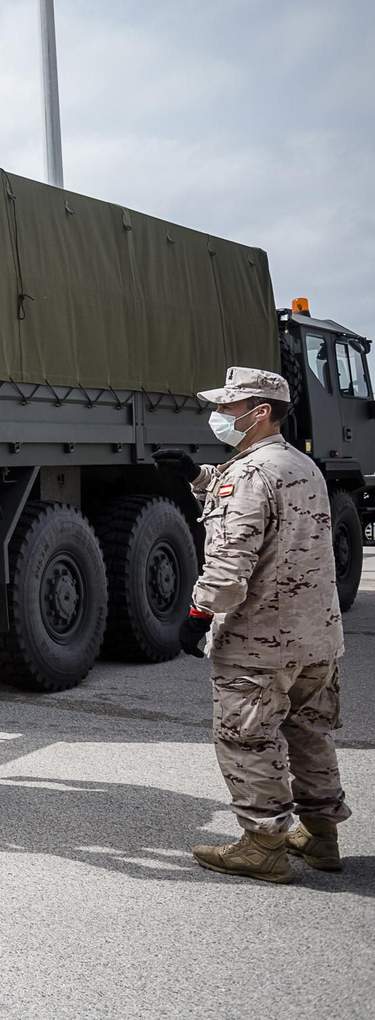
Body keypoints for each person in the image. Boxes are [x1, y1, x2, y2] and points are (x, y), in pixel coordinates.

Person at [151, 366, 349, 882]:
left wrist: (196, 616)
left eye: (227, 408)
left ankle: (263, 845)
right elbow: (270, 515)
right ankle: (322, 836)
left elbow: (227, 563)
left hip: (261, 639)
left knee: (248, 738)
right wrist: (198, 478)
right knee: (308, 731)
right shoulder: (301, 465)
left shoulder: (248, 473)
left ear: (259, 412)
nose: (218, 416)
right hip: (317, 635)